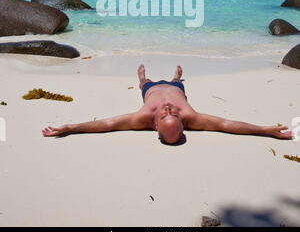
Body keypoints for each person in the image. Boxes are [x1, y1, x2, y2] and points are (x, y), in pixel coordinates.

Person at [42, 65, 292, 144]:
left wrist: (70, 127)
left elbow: (106, 124)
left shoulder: (141, 118)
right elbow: (227, 124)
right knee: (176, 82)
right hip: (177, 88)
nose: (169, 109)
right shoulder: (192, 117)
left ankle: (141, 76)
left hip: (151, 89)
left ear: (154, 125)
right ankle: (176, 76)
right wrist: (264, 130)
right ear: (184, 123)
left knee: (144, 84)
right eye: (174, 114)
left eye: (166, 115)